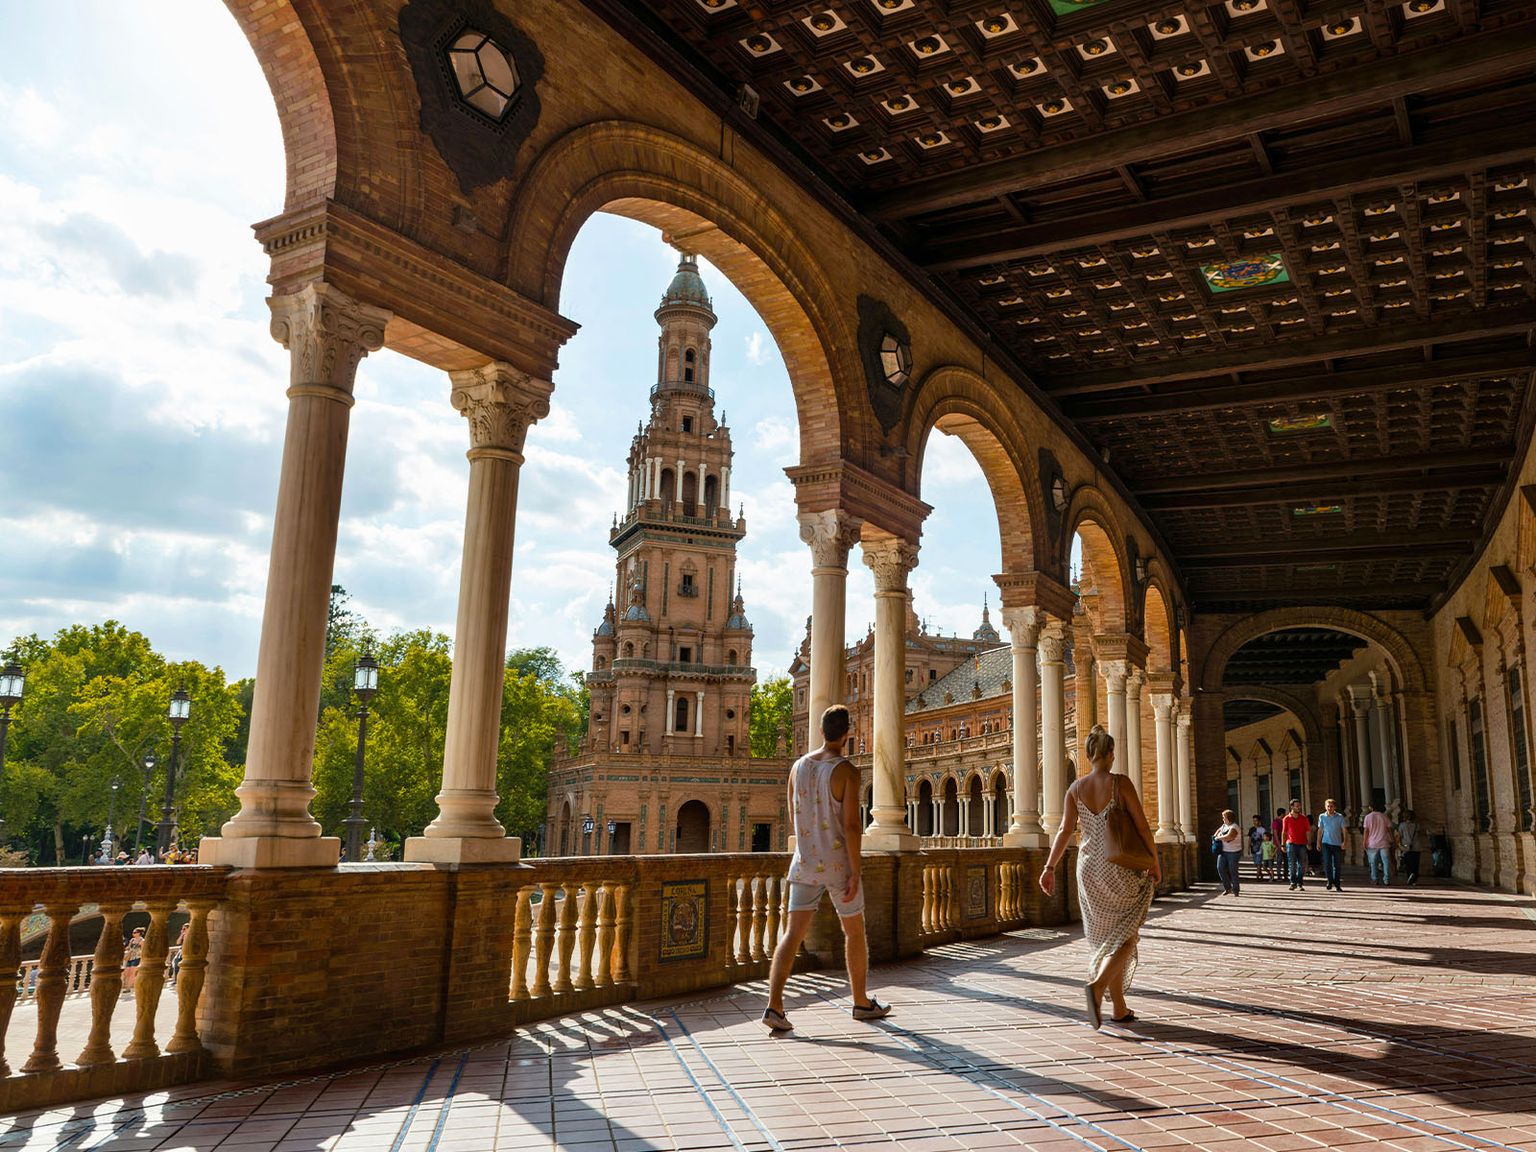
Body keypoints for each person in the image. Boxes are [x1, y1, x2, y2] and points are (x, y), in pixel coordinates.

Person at [763, 704, 889, 1031]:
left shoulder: (797, 768)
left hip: (804, 862)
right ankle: (861, 1002)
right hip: (838, 865)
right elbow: (850, 826)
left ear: (821, 731)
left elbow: (793, 815)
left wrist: (808, 844)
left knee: (792, 934)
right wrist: (856, 869)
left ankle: (774, 1007)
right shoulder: (847, 771)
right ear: (849, 734)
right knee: (854, 932)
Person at [1038, 725, 1159, 1028]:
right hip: (1117, 866)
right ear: (1110, 753)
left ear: (1090, 754)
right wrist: (1155, 860)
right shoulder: (1120, 784)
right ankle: (1098, 985)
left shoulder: (1075, 788)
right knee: (1126, 936)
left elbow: (1065, 832)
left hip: (1088, 869)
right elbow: (1142, 827)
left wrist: (1049, 867)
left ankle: (1119, 1007)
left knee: (1106, 938)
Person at [1316, 798, 1348, 891]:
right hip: (1326, 842)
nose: (1329, 808)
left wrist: (1344, 842)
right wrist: (1318, 842)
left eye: (1331, 806)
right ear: (1325, 807)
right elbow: (1320, 830)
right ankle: (1330, 881)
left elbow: (1344, 830)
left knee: (1337, 864)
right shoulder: (1322, 816)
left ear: (1335, 807)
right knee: (1327, 863)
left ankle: (1337, 883)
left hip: (1337, 843)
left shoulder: (1340, 817)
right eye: (1328, 806)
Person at [1281, 799, 1310, 890]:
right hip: (1291, 844)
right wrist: (1282, 844)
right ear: (1292, 807)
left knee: (1302, 865)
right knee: (1292, 864)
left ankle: (1300, 882)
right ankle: (1293, 882)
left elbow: (1308, 831)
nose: (1299, 807)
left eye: (1299, 806)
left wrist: (1309, 842)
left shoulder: (1304, 818)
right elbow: (1284, 832)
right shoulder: (1286, 818)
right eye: (1296, 806)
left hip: (1302, 844)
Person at [1363, 802, 1393, 886]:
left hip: (1372, 843)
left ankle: (1374, 878)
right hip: (1384, 842)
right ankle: (1386, 879)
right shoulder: (1384, 816)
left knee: (1373, 862)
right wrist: (1392, 839)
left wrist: (1364, 841)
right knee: (1386, 862)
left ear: (1370, 807)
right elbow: (1389, 829)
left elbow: (1366, 831)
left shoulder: (1368, 817)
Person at [1215, 809, 1244, 896]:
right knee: (1220, 868)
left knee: (1232, 870)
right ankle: (1228, 887)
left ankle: (1236, 889)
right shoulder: (1224, 826)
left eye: (1224, 817)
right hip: (1223, 852)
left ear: (1228, 818)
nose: (1223, 819)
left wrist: (1219, 838)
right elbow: (1216, 833)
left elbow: (1229, 837)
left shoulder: (1234, 827)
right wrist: (1218, 836)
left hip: (1234, 852)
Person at [1397, 809, 1422, 885]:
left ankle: (1409, 876)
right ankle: (1414, 879)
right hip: (1416, 846)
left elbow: (1400, 836)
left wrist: (1398, 844)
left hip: (1406, 846)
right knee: (1415, 863)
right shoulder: (1417, 825)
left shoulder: (1402, 825)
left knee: (1408, 864)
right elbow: (1418, 833)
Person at [122, 927, 145, 992]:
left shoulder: (142, 941)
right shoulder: (132, 940)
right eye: (133, 932)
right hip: (130, 957)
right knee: (126, 972)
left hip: (137, 957)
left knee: (132, 972)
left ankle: (128, 988)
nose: (133, 934)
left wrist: (141, 961)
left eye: (134, 932)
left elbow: (143, 951)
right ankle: (129, 986)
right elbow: (128, 948)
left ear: (139, 933)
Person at [1248, 815, 1266, 880]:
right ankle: (1260, 874)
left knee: (1259, 863)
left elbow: (1264, 839)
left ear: (1259, 821)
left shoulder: (1262, 829)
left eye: (1256, 821)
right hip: (1253, 848)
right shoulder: (1251, 829)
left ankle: (1257, 876)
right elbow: (1249, 838)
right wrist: (1248, 847)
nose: (1255, 822)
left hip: (1260, 848)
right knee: (1256, 863)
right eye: (1254, 821)